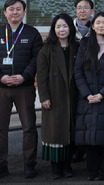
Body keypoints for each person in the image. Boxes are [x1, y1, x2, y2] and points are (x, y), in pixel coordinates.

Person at [0, 0, 43, 181]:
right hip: (1, 88)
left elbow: (37, 58)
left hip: (24, 87)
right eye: (11, 9)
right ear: (5, 13)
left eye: (18, 9)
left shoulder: (32, 34)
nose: (15, 12)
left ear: (24, 12)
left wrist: (25, 75)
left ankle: (29, 164)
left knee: (29, 127)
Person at [74, 12, 104, 181]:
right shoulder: (85, 44)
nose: (101, 25)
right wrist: (87, 93)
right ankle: (92, 170)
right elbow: (78, 71)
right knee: (88, 137)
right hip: (86, 98)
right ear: (92, 26)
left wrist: (103, 94)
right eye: (98, 23)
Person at [37, 13, 79, 180]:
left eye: (65, 26)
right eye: (59, 27)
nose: (62, 30)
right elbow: (41, 77)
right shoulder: (46, 49)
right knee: (55, 132)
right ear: (54, 29)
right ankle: (56, 168)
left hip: (73, 96)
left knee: (70, 132)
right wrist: (44, 97)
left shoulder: (77, 47)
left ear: (71, 28)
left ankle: (67, 166)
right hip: (54, 97)